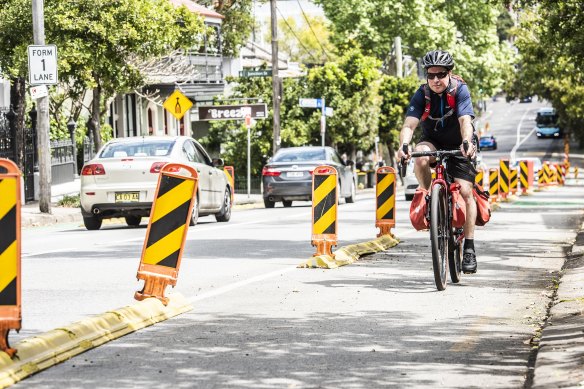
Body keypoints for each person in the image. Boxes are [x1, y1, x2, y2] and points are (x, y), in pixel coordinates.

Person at [397, 49, 479, 274]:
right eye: (430, 75)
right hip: (433, 142)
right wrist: (404, 145)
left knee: (465, 192)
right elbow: (409, 125)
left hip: (459, 143)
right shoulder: (421, 94)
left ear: (449, 74)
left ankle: (469, 246)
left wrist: (466, 142)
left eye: (440, 75)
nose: (435, 80)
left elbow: (465, 120)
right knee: (420, 155)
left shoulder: (459, 90)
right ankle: (428, 196)